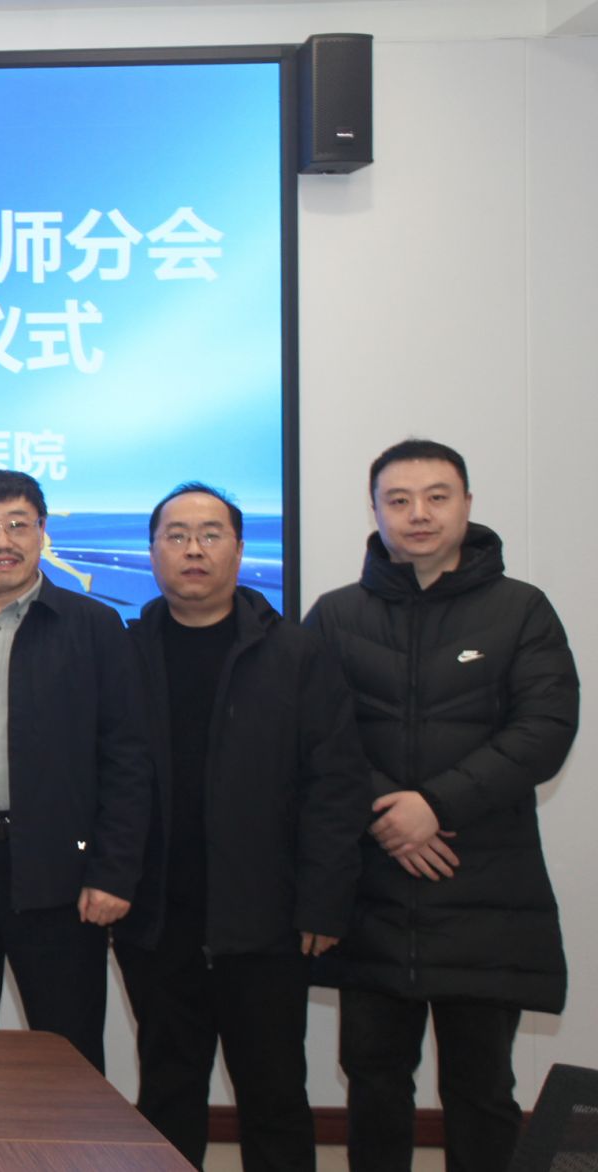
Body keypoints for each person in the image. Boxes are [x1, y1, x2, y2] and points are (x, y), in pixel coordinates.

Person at [304, 439, 579, 1172]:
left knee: (481, 1087)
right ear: (375, 511)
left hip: (485, 886)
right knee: (373, 1081)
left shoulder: (521, 610)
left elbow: (545, 730)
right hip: (372, 891)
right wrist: (387, 815)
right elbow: (310, 737)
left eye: (436, 497)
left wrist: (435, 804)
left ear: (467, 504)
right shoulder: (335, 616)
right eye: (398, 500)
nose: (418, 514)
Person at [115, 483, 367, 1170]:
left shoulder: (296, 655)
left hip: (268, 922)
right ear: (153, 551)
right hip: (157, 920)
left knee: (274, 1095)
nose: (192, 549)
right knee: (167, 1089)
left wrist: (323, 902)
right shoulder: (127, 651)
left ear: (239, 547)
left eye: (210, 534)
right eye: (175, 536)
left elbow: (335, 787)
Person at [0, 469, 150, 1072]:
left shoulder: (94, 626)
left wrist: (113, 871)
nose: (3, 541)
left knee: (68, 1051)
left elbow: (127, 757)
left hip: (61, 871)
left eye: (18, 525)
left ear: (42, 531)